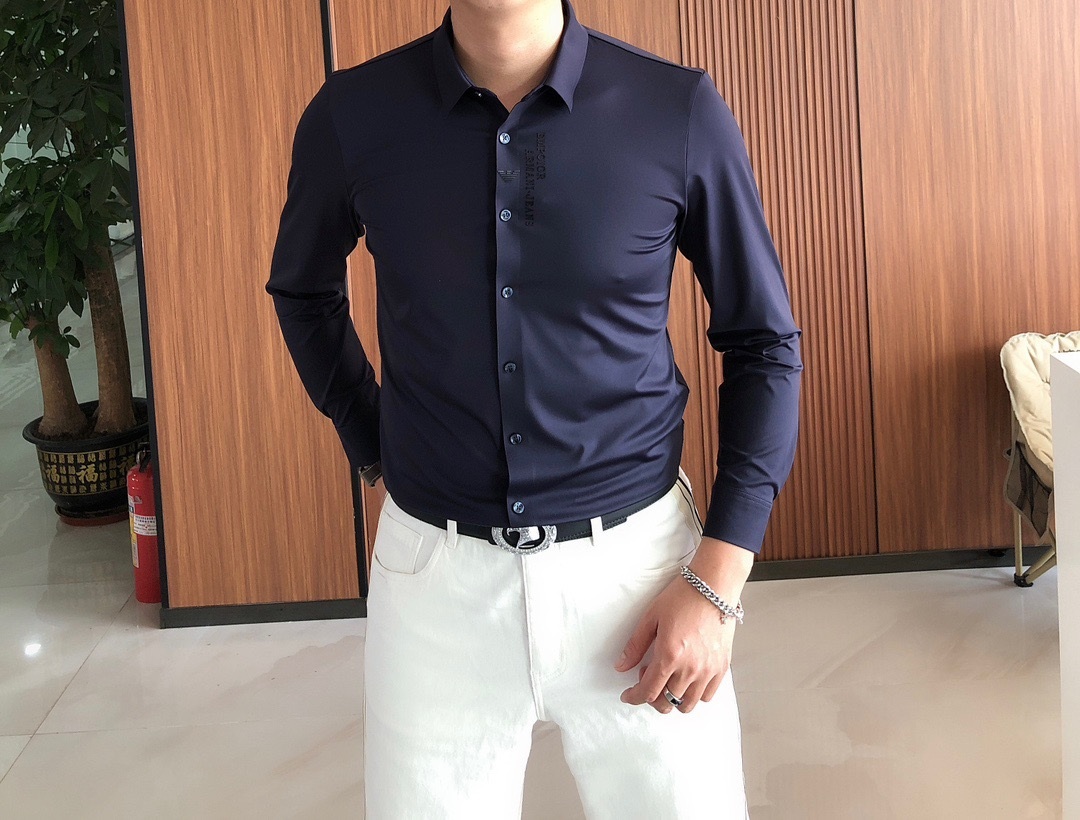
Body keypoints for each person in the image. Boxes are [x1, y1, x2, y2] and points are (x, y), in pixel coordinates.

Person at [265, 0, 802, 816]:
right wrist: (375, 441)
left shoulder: (675, 108)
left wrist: (718, 580)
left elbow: (763, 343)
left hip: (640, 574)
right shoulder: (354, 114)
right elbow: (303, 292)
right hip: (436, 581)